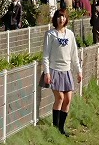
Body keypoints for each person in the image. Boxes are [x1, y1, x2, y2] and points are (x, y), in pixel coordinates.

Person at [42, 8, 83, 136]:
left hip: (67, 71)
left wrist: (78, 71)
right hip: (54, 71)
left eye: (63, 17)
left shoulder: (70, 34)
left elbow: (74, 55)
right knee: (59, 98)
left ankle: (61, 128)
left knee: (68, 99)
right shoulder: (50, 34)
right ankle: (55, 128)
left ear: (66, 19)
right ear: (55, 19)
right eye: (59, 17)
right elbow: (46, 55)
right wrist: (47, 72)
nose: (61, 19)